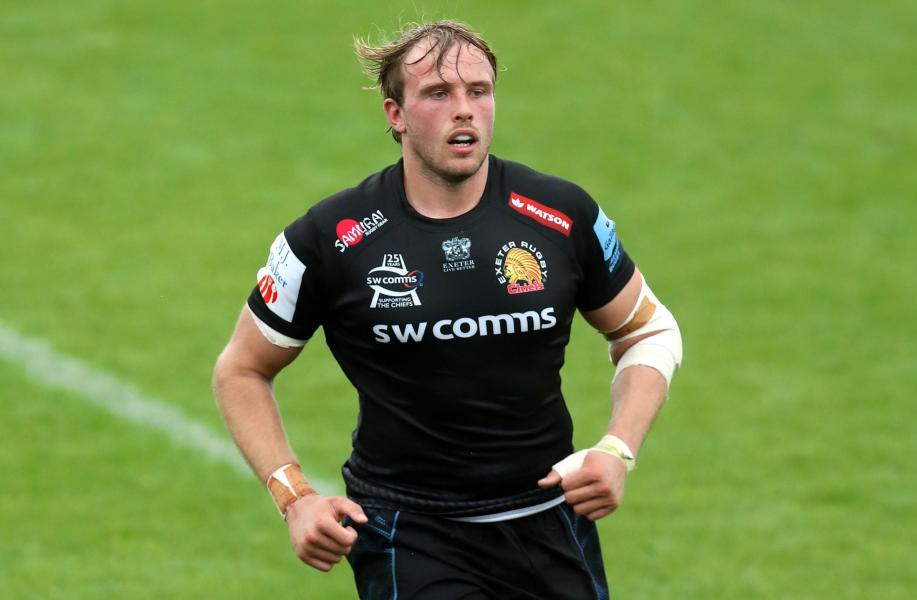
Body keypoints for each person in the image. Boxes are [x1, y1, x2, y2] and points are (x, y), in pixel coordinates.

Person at [213, 20, 682, 600]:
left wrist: (617, 449)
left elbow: (649, 332)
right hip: (410, 533)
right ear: (396, 114)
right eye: (439, 93)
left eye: (478, 91)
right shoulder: (329, 239)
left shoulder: (560, 214)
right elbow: (241, 369)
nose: (465, 110)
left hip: (549, 523)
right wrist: (294, 497)